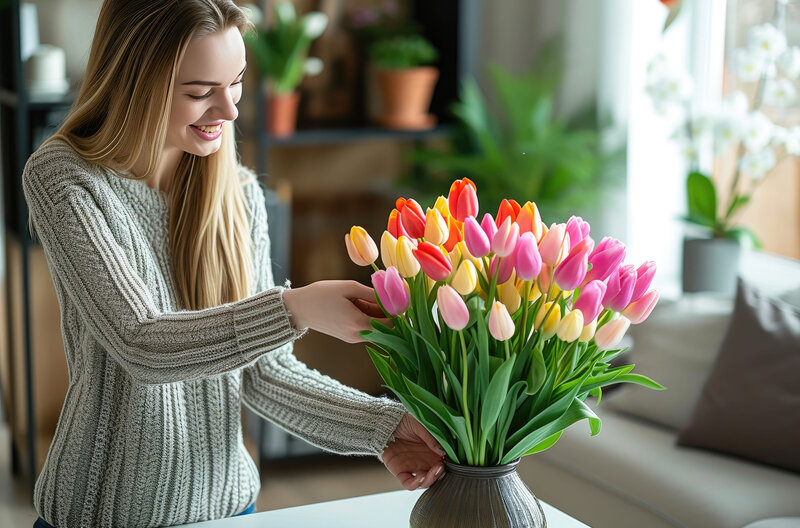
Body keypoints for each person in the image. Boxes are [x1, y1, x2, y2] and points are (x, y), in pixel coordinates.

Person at [22, 1, 444, 527]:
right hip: (99, 515)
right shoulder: (67, 179)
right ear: (136, 83)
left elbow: (263, 374)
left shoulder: (237, 194)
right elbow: (141, 343)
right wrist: (293, 308)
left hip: (230, 510)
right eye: (200, 92)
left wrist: (386, 428)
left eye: (237, 82)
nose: (230, 111)